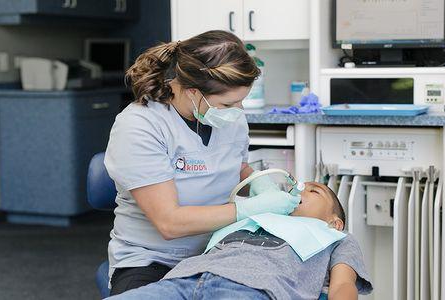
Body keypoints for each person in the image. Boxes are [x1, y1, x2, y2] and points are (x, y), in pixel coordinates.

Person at [104, 30, 301, 295]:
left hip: (220, 251)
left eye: (241, 101)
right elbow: (169, 223)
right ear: (193, 92)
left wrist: (259, 182)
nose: (239, 111)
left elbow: (235, 165)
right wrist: (249, 209)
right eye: (229, 102)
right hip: (152, 261)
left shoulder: (228, 117)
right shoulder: (140, 125)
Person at [106, 182, 373, 300]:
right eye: (297, 187)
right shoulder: (253, 216)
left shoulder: (336, 237)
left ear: (334, 222)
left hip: (252, 290)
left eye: (314, 191)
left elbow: (342, 286)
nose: (300, 190)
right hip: (184, 280)